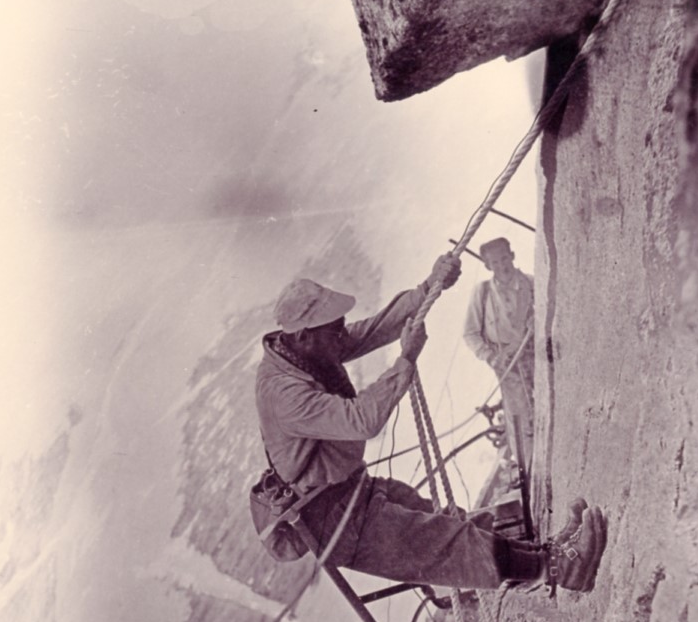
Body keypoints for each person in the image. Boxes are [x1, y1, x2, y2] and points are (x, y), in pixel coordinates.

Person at [255, 254, 606, 593]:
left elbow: (373, 329)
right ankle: (559, 569)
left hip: (349, 492)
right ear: (304, 336)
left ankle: (543, 553)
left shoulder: (307, 350)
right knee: (445, 541)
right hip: (332, 521)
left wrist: (428, 288)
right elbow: (362, 420)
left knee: (446, 519)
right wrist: (405, 359)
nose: (343, 336)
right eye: (335, 332)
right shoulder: (283, 394)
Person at [463, 237, 535, 474]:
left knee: (547, 409)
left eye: (504, 258)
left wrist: (540, 321)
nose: (502, 265)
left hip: (538, 359)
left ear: (512, 256)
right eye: (495, 262)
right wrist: (491, 357)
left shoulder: (532, 284)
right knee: (520, 420)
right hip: (507, 367)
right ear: (487, 266)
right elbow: (470, 334)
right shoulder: (482, 293)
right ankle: (530, 471)